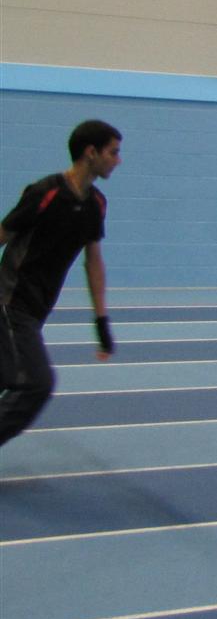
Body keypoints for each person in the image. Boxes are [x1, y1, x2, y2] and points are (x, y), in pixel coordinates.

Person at [0, 120, 121, 452]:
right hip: (10, 303)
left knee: (7, 376)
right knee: (36, 383)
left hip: (37, 309)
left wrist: (101, 322)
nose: (118, 160)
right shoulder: (44, 192)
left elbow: (93, 260)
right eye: (113, 152)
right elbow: (3, 235)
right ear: (90, 152)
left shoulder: (96, 204)